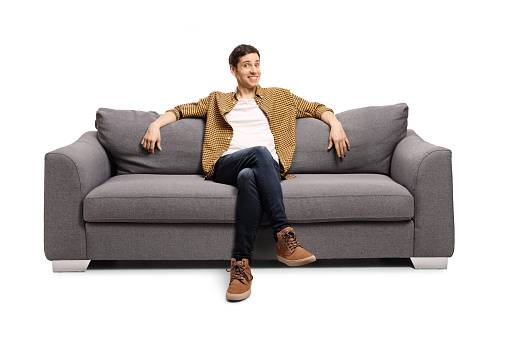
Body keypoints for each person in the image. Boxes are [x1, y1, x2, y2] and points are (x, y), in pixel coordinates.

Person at [141, 44, 350, 301]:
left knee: (249, 176)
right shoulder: (217, 100)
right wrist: (155, 124)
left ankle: (241, 265)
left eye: (257, 63)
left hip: (266, 168)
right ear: (233, 70)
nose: (254, 70)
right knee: (259, 152)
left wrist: (336, 124)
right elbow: (183, 109)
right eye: (247, 65)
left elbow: (316, 108)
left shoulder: (280, 96)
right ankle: (284, 235)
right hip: (225, 163)